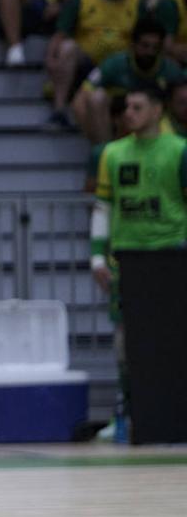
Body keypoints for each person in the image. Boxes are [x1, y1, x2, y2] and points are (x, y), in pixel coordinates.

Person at [90, 86, 187, 437]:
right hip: (128, 259)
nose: (128, 112)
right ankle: (126, 416)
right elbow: (104, 206)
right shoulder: (112, 153)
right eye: (126, 106)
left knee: (176, 340)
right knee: (125, 341)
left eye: (137, 106)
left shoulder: (180, 151)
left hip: (173, 256)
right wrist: (96, 255)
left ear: (158, 110)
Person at [46, 0, 143, 127]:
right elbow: (60, 34)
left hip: (122, 66)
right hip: (87, 66)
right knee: (67, 48)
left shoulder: (136, 1)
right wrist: (51, 58)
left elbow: (145, 38)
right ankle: (59, 111)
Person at [74, 17, 182, 145]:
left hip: (158, 123)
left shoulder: (172, 71)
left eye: (155, 47)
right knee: (97, 97)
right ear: (133, 45)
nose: (150, 52)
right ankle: (104, 151)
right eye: (145, 46)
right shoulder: (113, 64)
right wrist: (90, 133)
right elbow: (80, 99)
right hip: (114, 122)